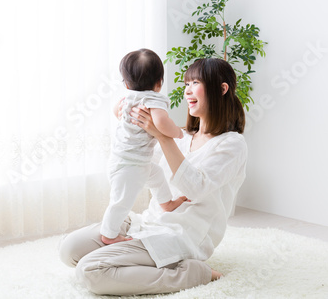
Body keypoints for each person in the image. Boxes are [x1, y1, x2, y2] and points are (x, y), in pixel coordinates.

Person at [59, 58, 248, 296]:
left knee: (90, 272)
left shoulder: (231, 144)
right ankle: (138, 257)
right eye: (186, 83)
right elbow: (142, 165)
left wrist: (162, 136)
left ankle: (193, 273)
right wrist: (131, 123)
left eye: (195, 82)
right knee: (69, 249)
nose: (187, 90)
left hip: (182, 236)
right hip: (149, 222)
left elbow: (196, 189)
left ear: (222, 89)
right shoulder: (182, 136)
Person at [101, 48, 185, 246]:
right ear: (159, 83)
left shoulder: (127, 97)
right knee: (121, 201)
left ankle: (167, 203)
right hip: (130, 166)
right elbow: (162, 123)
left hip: (130, 161)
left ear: (127, 83)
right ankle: (109, 234)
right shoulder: (154, 99)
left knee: (157, 176)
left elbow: (117, 112)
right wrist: (178, 132)